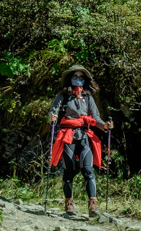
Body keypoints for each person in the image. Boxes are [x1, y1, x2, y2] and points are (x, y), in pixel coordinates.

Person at [48, 65, 113, 217]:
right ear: (69, 79)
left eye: (81, 77)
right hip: (68, 135)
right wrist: (52, 117)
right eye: (75, 77)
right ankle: (69, 203)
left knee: (88, 170)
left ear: (85, 80)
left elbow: (95, 118)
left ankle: (93, 204)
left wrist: (104, 125)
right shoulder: (63, 96)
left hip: (84, 135)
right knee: (69, 171)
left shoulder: (88, 97)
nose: (78, 80)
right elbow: (53, 112)